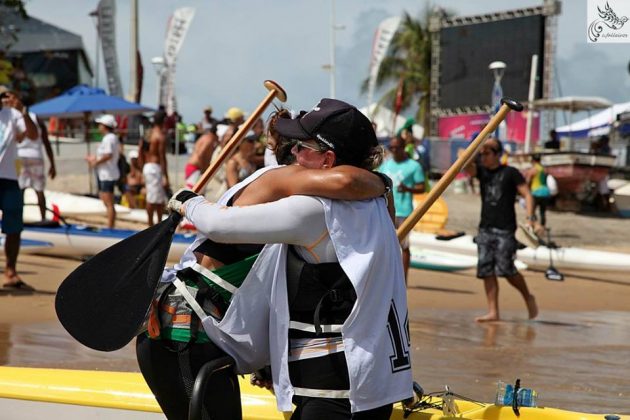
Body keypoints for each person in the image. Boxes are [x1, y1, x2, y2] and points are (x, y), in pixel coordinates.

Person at [136, 105, 393, 419]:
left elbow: (284, 290)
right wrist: (190, 202)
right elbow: (350, 181)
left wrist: (274, 360)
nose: (298, 154)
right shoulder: (284, 185)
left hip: (210, 333)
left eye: (303, 145)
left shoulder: (325, 198)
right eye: (294, 146)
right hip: (184, 333)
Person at [464, 138, 538, 323]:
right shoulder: (481, 172)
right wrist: (479, 146)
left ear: (498, 154)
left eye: (488, 153)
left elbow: (527, 194)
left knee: (507, 269)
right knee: (486, 270)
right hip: (485, 228)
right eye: (482, 153)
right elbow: (465, 165)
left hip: (506, 229)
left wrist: (530, 218)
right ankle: (493, 311)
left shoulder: (510, 172)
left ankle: (527, 296)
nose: (484, 157)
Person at [0, 85, 39, 289]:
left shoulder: (13, 114)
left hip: (9, 177)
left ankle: (10, 271)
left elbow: (32, 135)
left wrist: (23, 111)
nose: (3, 98)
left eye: (4, 95)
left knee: (14, 227)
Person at [378, 136, 425, 282]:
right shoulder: (386, 164)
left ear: (404, 147)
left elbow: (422, 188)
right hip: (386, 210)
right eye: (391, 147)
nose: (393, 150)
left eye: (396, 147)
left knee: (404, 246)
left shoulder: (414, 166)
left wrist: (407, 189)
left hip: (404, 211)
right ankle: (385, 277)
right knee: (384, 244)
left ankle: (403, 280)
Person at [8, 94, 56, 221]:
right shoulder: (36, 118)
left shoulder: (14, 117)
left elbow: (15, 139)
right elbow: (46, 142)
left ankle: (18, 219)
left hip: (19, 157)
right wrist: (52, 163)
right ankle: (43, 218)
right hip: (36, 156)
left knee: (20, 190)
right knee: (39, 190)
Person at [86, 114, 120, 229]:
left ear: (105, 126)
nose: (98, 126)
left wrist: (96, 162)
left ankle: (111, 227)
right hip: (105, 173)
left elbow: (108, 155)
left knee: (109, 202)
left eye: (100, 124)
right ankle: (110, 225)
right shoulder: (109, 138)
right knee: (106, 200)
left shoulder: (109, 138)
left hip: (108, 174)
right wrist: (94, 159)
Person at [139, 111, 169, 226]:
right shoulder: (159, 136)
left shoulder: (148, 134)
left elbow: (140, 152)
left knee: (156, 198)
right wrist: (166, 176)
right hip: (155, 167)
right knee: (154, 199)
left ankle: (154, 223)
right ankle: (152, 224)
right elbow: (162, 157)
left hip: (148, 166)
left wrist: (142, 169)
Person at [184, 126, 218, 192]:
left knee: (195, 192)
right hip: (196, 168)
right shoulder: (209, 140)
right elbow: (200, 154)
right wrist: (203, 169)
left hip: (193, 167)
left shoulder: (205, 137)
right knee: (193, 193)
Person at [525, 154, 552, 231]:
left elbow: (528, 181)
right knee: (542, 211)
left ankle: (534, 225)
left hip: (536, 192)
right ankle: (542, 226)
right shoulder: (544, 169)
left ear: (532, 161)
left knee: (532, 211)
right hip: (545, 192)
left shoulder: (533, 170)